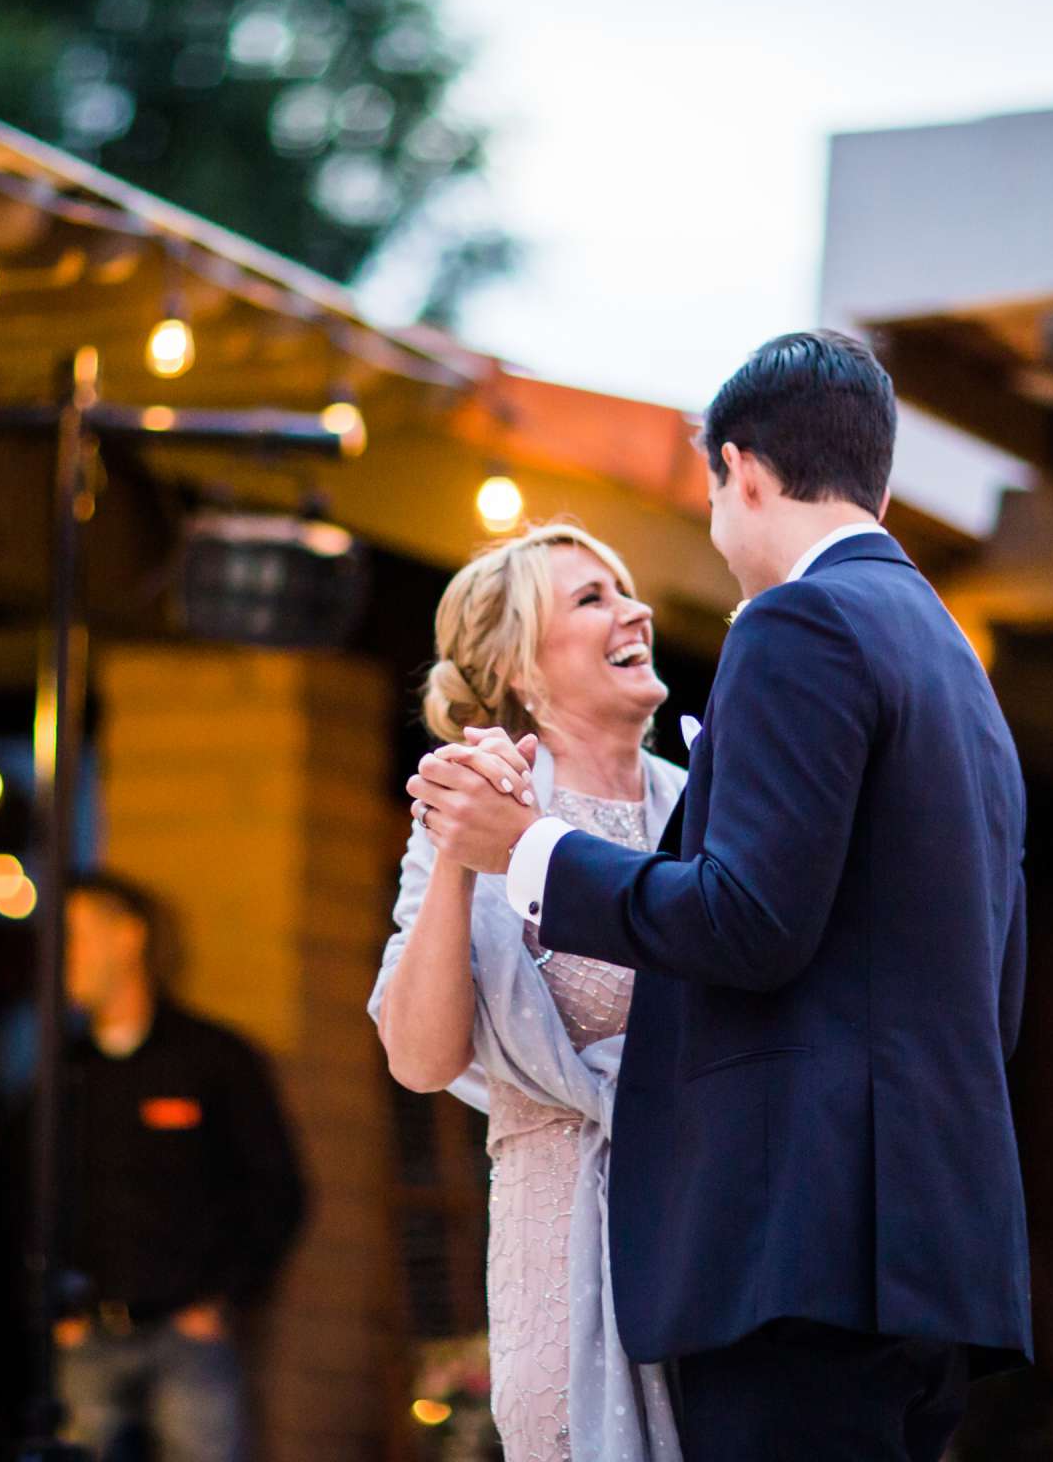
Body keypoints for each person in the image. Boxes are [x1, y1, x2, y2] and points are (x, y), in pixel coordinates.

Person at [412, 331, 1031, 1462]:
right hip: (934, 1248)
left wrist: (531, 851)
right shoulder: (954, 662)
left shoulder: (798, 623)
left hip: (800, 1249)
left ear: (740, 470)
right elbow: (999, 986)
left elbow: (750, 920)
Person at [371, 523, 689, 1462]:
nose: (634, 611)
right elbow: (420, 1060)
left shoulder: (707, 805)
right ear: (519, 669)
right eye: (592, 599)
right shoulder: (468, 816)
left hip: (706, 1226)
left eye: (625, 590)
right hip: (559, 1239)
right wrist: (465, 854)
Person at [48, 870, 307, 1461]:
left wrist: (218, 1299)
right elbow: (19, 1197)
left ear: (128, 938)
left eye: (77, 935)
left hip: (188, 1338)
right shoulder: (63, 1074)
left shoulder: (214, 1060)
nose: (64, 957)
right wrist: (58, 1309)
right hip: (85, 1335)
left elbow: (277, 1193)